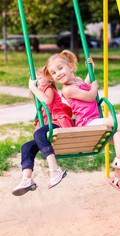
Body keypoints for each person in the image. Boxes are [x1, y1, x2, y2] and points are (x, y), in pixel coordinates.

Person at [43, 50, 120, 195]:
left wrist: (91, 70)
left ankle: (118, 178)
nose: (58, 73)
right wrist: (95, 86)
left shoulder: (78, 81)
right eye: (53, 72)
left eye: (60, 68)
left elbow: (84, 85)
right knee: (118, 120)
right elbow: (90, 95)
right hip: (87, 123)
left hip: (95, 121)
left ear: (70, 67)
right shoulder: (67, 90)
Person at [12, 68, 74, 196]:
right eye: (34, 78)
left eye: (40, 77)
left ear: (50, 79)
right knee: (26, 147)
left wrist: (33, 88)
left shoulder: (49, 89)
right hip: (48, 128)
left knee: (39, 134)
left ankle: (55, 169)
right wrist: (34, 89)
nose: (37, 80)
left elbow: (47, 101)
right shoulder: (38, 93)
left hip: (58, 122)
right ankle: (27, 179)